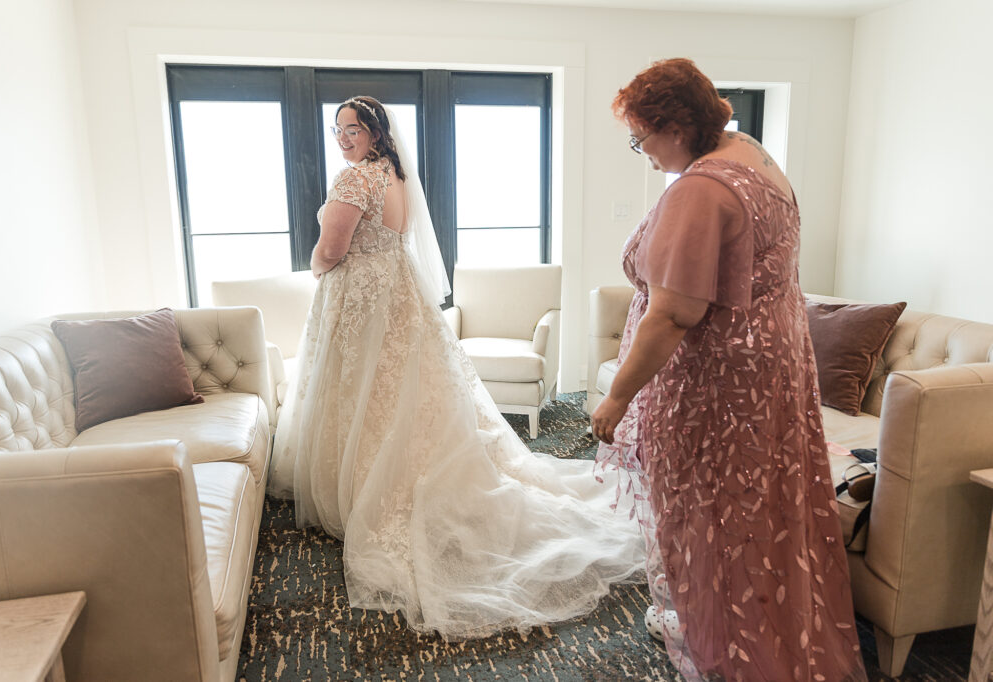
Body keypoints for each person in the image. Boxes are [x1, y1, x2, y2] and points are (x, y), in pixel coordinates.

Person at [267, 95, 644, 641]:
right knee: (403, 390)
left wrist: (314, 263)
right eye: (337, 129)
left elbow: (332, 249)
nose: (343, 137)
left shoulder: (353, 181)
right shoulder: (394, 177)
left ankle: (366, 484)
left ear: (375, 131)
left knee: (362, 388)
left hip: (361, 300)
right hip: (397, 296)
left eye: (353, 128)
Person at [591, 60, 867, 681]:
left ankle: (724, 639)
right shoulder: (753, 154)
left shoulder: (700, 189)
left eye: (642, 137)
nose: (642, 151)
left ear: (675, 125)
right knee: (754, 509)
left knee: (704, 511)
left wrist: (616, 399)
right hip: (767, 372)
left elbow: (672, 315)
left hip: (715, 385)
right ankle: (754, 624)